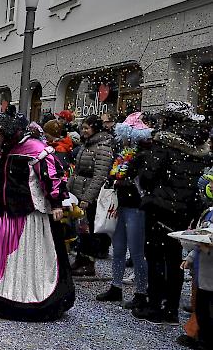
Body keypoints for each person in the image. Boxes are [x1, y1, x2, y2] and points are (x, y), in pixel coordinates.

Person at [0, 114, 75, 321]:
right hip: (1, 216)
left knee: (30, 256)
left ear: (6, 134)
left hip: (29, 217)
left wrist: (57, 202)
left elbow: (51, 175)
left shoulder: (36, 150)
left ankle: (28, 296)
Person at [132, 101, 211, 325]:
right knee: (174, 256)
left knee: (156, 255)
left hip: (160, 205)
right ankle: (172, 309)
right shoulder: (198, 144)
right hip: (184, 207)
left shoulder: (163, 143)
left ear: (169, 119)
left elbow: (148, 176)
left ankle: (156, 304)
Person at [96, 117, 153, 308]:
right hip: (120, 203)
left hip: (136, 206)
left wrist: (124, 179)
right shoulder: (122, 153)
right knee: (118, 248)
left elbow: (144, 182)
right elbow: (114, 173)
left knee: (137, 251)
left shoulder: (145, 155)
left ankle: (141, 291)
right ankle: (116, 286)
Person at [176, 170, 213, 350]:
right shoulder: (208, 211)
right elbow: (202, 236)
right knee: (204, 314)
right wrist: (191, 256)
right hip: (205, 273)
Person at [68, 115, 114, 276]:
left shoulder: (103, 147)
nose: (84, 131)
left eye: (87, 128)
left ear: (95, 128)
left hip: (89, 195)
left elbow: (100, 175)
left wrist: (88, 197)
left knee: (89, 231)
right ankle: (81, 259)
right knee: (81, 229)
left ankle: (88, 262)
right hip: (79, 191)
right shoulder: (87, 144)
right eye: (83, 128)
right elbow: (78, 170)